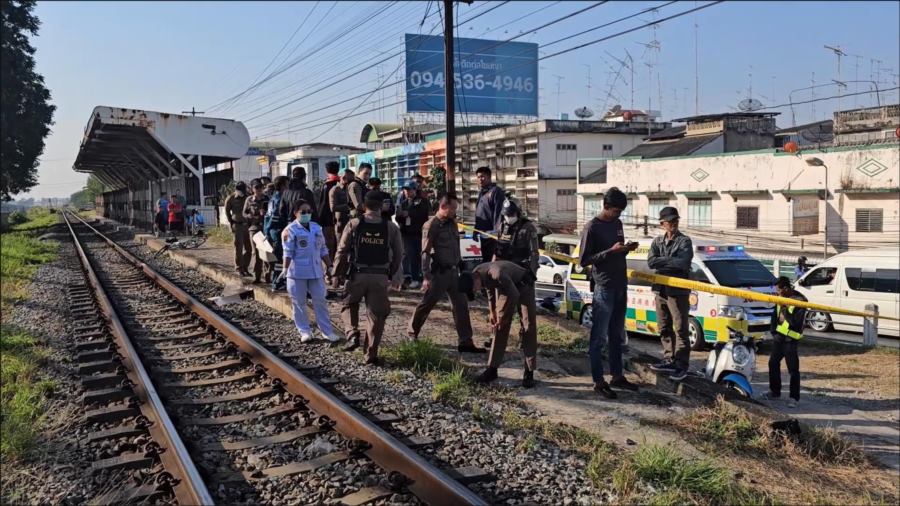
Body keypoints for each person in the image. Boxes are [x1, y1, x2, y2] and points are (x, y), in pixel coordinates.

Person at [578, 187, 640, 398]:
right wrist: (610, 252)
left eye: (621, 212)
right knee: (598, 337)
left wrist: (625, 248)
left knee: (617, 335)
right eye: (615, 211)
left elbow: (617, 247)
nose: (618, 215)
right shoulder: (591, 228)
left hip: (621, 284)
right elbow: (584, 260)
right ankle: (598, 380)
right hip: (603, 287)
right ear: (605, 207)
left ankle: (617, 375)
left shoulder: (618, 223)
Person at [332, 191, 403, 364]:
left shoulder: (354, 224)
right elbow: (399, 254)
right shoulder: (391, 227)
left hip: (357, 275)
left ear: (364, 206)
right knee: (376, 316)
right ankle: (370, 355)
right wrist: (391, 273)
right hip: (379, 277)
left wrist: (336, 273)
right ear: (382, 206)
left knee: (348, 304)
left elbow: (341, 251)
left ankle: (352, 332)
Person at [407, 193, 484, 353]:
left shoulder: (452, 224)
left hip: (454, 272)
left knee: (461, 306)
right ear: (443, 206)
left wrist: (463, 269)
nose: (455, 211)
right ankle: (412, 334)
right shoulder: (431, 225)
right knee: (427, 304)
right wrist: (426, 276)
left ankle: (465, 342)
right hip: (439, 273)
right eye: (453, 208)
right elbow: (425, 252)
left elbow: (457, 248)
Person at [470, 260, 537, 388]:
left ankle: (529, 370)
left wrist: (504, 317)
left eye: (474, 288)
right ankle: (492, 369)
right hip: (506, 288)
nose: (476, 291)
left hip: (524, 286)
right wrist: (492, 312)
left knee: (528, 326)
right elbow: (490, 291)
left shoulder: (496, 273)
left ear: (476, 280)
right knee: (498, 327)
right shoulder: (478, 272)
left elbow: (515, 295)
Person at [282, 200, 341, 343]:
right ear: (295, 213)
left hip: (316, 271)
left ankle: (327, 331)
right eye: (303, 212)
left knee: (320, 300)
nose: (307, 214)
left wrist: (330, 265)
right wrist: (284, 268)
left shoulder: (316, 228)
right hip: (297, 273)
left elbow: (323, 249)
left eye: (309, 211)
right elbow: (288, 252)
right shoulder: (290, 230)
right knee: (299, 303)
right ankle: (305, 331)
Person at [647, 206, 694, 382]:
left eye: (676, 221)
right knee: (664, 327)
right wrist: (669, 262)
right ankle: (669, 358)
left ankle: (681, 365)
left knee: (681, 328)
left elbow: (683, 263)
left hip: (678, 292)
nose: (673, 224)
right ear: (662, 224)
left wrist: (663, 262)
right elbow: (651, 262)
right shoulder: (657, 242)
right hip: (660, 289)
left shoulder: (684, 241)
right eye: (670, 221)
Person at [491, 197, 539, 349]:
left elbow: (534, 253)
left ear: (518, 213)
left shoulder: (528, 227)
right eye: (506, 214)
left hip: (523, 276)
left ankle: (525, 342)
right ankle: (495, 339)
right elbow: (497, 250)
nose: (508, 217)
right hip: (505, 277)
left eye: (511, 214)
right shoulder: (502, 226)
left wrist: (531, 273)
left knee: (527, 317)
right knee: (501, 312)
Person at [765, 276, 806, 407]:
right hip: (779, 338)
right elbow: (774, 315)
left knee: (793, 370)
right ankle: (774, 392)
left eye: (779, 291)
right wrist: (773, 332)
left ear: (786, 288)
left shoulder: (800, 301)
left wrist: (784, 308)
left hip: (790, 339)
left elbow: (795, 322)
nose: (778, 294)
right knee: (773, 363)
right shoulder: (780, 298)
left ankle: (794, 398)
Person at [397, 183, 430, 288]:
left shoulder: (422, 201)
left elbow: (424, 214)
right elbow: (398, 218)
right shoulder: (403, 203)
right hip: (406, 233)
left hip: (418, 233)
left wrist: (410, 213)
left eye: (409, 190)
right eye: (405, 190)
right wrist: (400, 215)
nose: (406, 192)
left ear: (415, 190)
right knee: (407, 255)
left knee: (418, 256)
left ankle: (417, 277)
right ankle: (409, 276)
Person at [474, 166, 506, 263]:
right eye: (478, 177)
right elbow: (479, 214)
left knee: (492, 265)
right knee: (485, 263)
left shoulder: (496, 191)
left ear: (489, 177)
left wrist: (496, 233)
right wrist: (475, 230)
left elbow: (498, 214)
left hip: (492, 237)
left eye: (483, 176)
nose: (480, 179)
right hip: (483, 236)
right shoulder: (482, 193)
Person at [265, 176, 291, 289]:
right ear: (282, 186)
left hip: (272, 231)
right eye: (287, 184)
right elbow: (275, 217)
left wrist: (266, 231)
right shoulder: (280, 198)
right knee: (280, 258)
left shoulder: (272, 198)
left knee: (278, 258)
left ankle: (277, 280)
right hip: (277, 231)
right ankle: (277, 282)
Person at [243, 180, 270, 283]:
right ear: (252, 189)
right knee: (256, 253)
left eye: (260, 187)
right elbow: (244, 213)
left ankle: (267, 275)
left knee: (266, 252)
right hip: (254, 228)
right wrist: (252, 216)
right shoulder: (249, 200)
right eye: (256, 188)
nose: (259, 190)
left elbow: (272, 212)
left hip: (265, 228)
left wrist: (265, 213)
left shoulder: (267, 199)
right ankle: (257, 276)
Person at [224, 181, 252, 276]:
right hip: (237, 225)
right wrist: (231, 223)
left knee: (249, 249)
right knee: (238, 247)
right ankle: (239, 268)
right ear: (236, 190)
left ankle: (245, 267)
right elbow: (227, 211)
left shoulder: (248, 197)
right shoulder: (231, 198)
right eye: (240, 190)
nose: (242, 192)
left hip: (247, 225)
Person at [317, 161, 342, 260]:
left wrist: (319, 218)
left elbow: (323, 203)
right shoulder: (341, 182)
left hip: (327, 220)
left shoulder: (327, 184)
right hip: (341, 218)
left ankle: (330, 264)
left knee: (329, 244)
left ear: (327, 170)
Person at [330, 169, 354, 241]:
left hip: (352, 222)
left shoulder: (351, 188)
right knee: (341, 245)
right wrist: (349, 206)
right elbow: (333, 207)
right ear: (341, 177)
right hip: (341, 223)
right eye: (345, 177)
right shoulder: (335, 190)